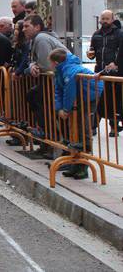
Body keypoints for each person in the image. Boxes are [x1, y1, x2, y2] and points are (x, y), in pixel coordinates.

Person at [50, 48, 102, 180]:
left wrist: (65, 110)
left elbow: (69, 92)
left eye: (50, 63)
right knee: (74, 128)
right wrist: (59, 108)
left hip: (89, 96)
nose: (50, 65)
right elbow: (58, 91)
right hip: (79, 98)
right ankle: (75, 162)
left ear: (55, 62)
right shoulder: (60, 70)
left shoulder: (70, 71)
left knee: (82, 128)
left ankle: (83, 167)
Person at [23, 14, 68, 144]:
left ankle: (49, 134)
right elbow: (34, 61)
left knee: (40, 99)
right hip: (56, 77)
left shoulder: (41, 38)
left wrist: (33, 67)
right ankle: (47, 133)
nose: (23, 29)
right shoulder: (36, 38)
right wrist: (32, 66)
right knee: (34, 96)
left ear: (37, 27)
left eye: (27, 26)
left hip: (60, 78)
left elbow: (46, 65)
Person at [88, 11, 123, 137]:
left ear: (113, 19)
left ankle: (113, 128)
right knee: (98, 100)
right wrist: (90, 53)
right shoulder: (96, 34)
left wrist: (116, 63)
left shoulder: (119, 34)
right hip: (99, 71)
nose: (104, 21)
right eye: (103, 18)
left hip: (114, 73)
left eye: (107, 18)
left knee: (113, 100)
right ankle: (93, 127)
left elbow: (120, 52)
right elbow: (92, 51)